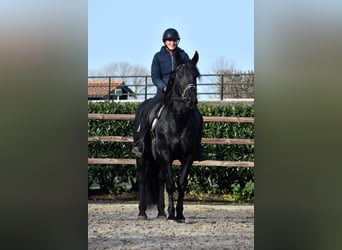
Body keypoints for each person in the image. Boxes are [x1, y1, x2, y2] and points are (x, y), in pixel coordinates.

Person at [132, 28, 207, 161]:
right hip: (163, 92)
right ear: (165, 42)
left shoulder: (183, 55)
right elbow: (155, 76)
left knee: (198, 116)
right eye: (170, 40)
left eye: (174, 40)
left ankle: (197, 149)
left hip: (180, 94)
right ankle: (141, 143)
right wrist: (163, 86)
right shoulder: (158, 57)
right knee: (149, 112)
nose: (172, 42)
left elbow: (188, 73)